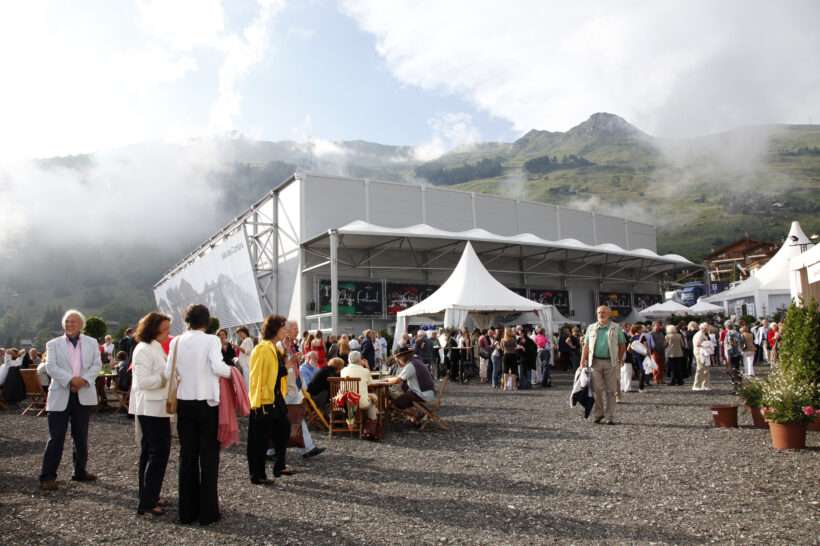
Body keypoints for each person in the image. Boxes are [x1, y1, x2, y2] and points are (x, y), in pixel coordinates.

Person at [164, 304, 231, 525]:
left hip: (185, 401)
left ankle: (187, 511)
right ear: (206, 321)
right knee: (209, 457)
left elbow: (168, 372)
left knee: (187, 456)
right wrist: (234, 372)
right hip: (207, 402)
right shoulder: (211, 340)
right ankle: (208, 513)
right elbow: (218, 367)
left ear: (187, 320)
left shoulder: (176, 341)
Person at [40, 310, 101, 491]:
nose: (70, 324)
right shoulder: (53, 344)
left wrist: (83, 381)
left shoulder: (92, 342)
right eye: (67, 321)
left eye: (73, 321)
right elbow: (50, 367)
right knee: (56, 437)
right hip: (61, 393)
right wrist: (70, 380)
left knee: (81, 436)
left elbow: (96, 365)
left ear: (81, 324)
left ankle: (80, 471)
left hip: (83, 393)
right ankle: (47, 476)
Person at [130, 312, 172, 516]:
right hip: (150, 408)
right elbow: (144, 382)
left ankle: (149, 495)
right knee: (158, 454)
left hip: (157, 407)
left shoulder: (153, 347)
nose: (167, 332)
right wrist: (166, 376)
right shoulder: (143, 350)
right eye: (164, 328)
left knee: (150, 453)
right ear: (153, 329)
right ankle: (147, 501)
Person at [246, 315, 293, 485]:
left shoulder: (273, 347)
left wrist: (286, 354)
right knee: (259, 439)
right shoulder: (262, 348)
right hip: (265, 399)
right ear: (274, 329)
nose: (285, 331)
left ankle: (278, 465)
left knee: (283, 429)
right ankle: (257, 474)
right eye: (283, 328)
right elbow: (256, 376)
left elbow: (278, 369)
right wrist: (257, 401)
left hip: (274, 398)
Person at [580, 305, 626, 425]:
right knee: (597, 389)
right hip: (594, 362)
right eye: (599, 312)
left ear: (609, 314)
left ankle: (610, 416)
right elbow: (586, 346)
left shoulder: (616, 328)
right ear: (597, 314)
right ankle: (599, 414)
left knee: (611, 390)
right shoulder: (591, 328)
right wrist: (582, 361)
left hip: (611, 362)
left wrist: (620, 359)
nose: (601, 314)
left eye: (604, 312)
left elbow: (622, 345)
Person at [385, 347, 436, 418]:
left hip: (423, 394)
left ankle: (417, 415)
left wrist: (386, 380)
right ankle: (417, 414)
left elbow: (397, 380)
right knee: (401, 393)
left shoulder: (410, 365)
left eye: (397, 360)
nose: (398, 362)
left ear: (402, 357)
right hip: (428, 392)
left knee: (395, 403)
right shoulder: (416, 361)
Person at [340, 350, 379, 422]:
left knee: (369, 397)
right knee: (373, 398)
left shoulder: (343, 370)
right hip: (360, 402)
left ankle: (366, 421)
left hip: (347, 402)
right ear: (360, 360)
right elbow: (371, 383)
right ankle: (372, 421)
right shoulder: (365, 371)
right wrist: (367, 366)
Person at [692, 322, 712, 391]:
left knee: (706, 369)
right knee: (700, 369)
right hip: (700, 353)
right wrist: (707, 345)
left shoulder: (703, 334)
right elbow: (698, 344)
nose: (708, 329)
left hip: (704, 353)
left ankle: (705, 385)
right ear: (704, 328)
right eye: (707, 328)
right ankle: (696, 385)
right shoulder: (699, 335)